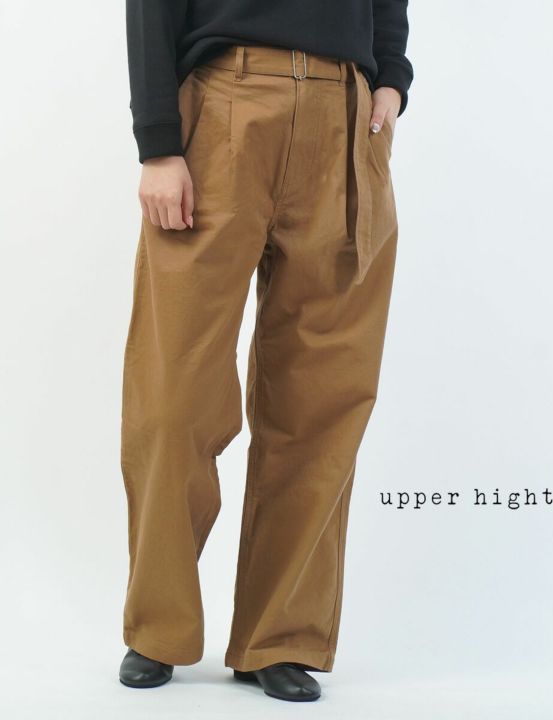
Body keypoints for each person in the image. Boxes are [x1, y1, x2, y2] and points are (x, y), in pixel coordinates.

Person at [118, 0, 413, 703]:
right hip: (225, 101)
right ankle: (157, 627)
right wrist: (158, 142)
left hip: (347, 117)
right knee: (173, 392)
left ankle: (278, 637)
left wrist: (391, 78)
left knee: (321, 400)